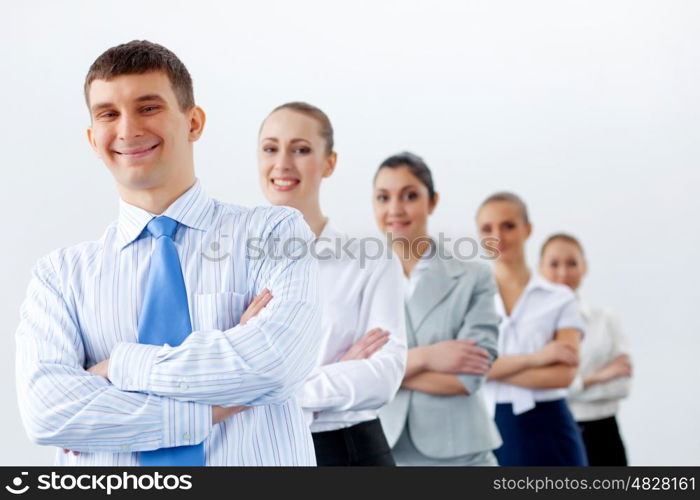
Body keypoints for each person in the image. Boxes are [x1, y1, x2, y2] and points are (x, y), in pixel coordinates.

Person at [15, 40, 322, 466]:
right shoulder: (60, 276)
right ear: (92, 137)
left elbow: (277, 364)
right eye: (108, 114)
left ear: (194, 122)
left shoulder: (274, 232)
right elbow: (49, 412)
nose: (127, 130)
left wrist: (116, 367)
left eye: (148, 107)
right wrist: (209, 408)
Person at [257, 102, 407, 466]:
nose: (282, 164)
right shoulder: (234, 260)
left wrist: (278, 390)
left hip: (346, 451)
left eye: (301, 149)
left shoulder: (370, 259)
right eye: (270, 148)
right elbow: (216, 374)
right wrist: (335, 374)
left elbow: (384, 374)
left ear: (329, 162)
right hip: (258, 449)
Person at [373, 152, 502, 466]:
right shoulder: (358, 279)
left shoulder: (473, 276)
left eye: (410, 196)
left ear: (432, 201)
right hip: (380, 450)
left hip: (461, 455)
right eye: (383, 197)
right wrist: (427, 358)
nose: (395, 209)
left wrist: (379, 372)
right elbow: (340, 369)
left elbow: (466, 378)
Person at [478, 192, 588, 466]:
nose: (498, 236)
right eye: (487, 228)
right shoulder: (470, 299)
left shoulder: (559, 297)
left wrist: (492, 370)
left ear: (528, 229)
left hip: (550, 426)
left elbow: (563, 374)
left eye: (508, 226)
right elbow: (469, 370)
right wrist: (537, 359)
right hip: (489, 427)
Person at [539, 233, 631, 466]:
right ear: (540, 269)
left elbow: (621, 385)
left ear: (584, 267)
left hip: (604, 433)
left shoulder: (606, 320)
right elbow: (539, 389)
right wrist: (601, 376)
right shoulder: (532, 327)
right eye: (554, 264)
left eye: (572, 263)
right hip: (553, 432)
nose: (563, 272)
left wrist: (569, 384)